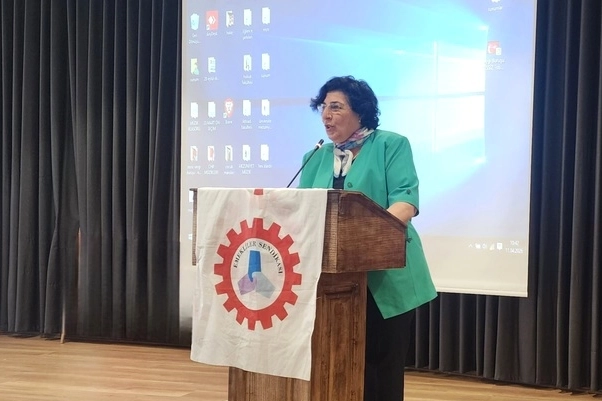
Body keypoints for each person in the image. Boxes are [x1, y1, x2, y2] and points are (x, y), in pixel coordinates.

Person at [298, 76, 437, 401]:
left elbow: (405, 201)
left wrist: (369, 236)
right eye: (323, 107)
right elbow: (302, 210)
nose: (326, 115)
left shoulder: (391, 145)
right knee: (336, 365)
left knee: (380, 369)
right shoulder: (314, 157)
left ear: (360, 111)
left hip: (387, 276)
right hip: (332, 282)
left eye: (336, 107)